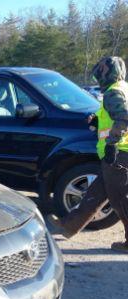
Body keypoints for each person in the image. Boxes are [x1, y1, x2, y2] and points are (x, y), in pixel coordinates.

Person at [51, 56, 128, 253]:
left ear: (106, 73)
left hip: (119, 155)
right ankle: (69, 226)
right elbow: (113, 119)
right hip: (116, 155)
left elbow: (123, 118)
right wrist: (97, 124)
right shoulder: (122, 87)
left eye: (99, 74)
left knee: (119, 199)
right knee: (96, 193)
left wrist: (111, 144)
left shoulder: (114, 93)